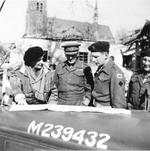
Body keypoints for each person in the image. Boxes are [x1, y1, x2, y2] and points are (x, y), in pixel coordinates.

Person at [88, 41, 127, 108]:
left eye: (96, 57)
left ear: (106, 55)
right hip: (96, 106)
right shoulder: (101, 68)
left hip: (106, 110)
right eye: (93, 57)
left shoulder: (115, 72)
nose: (94, 60)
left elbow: (118, 101)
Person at [54, 41, 93, 106]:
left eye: (73, 55)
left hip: (79, 103)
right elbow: (54, 86)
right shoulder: (59, 67)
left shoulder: (85, 67)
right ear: (65, 54)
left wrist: (87, 100)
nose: (70, 58)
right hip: (61, 103)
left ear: (77, 54)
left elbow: (89, 88)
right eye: (68, 55)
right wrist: (54, 102)